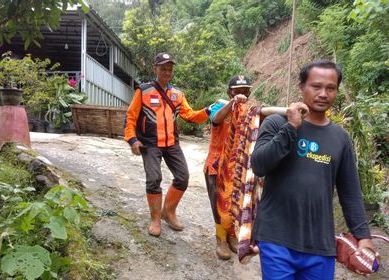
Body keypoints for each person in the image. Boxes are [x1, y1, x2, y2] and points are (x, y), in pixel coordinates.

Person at [250, 60, 375, 279]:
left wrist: (363, 237)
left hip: (320, 245)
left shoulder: (340, 138)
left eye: (330, 88)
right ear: (301, 87)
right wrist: (291, 127)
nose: (323, 94)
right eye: (316, 86)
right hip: (276, 238)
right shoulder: (276, 124)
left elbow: (350, 193)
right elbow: (260, 165)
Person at [124, 52, 210, 237]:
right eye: (163, 68)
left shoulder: (177, 95)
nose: (167, 72)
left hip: (171, 143)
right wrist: (132, 140)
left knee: (183, 177)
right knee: (154, 179)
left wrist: (209, 111)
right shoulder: (144, 91)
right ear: (155, 69)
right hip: (150, 143)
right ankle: (155, 219)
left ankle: (168, 212)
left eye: (170, 69)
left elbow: (191, 116)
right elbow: (130, 117)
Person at [203, 75, 251, 260]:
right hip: (216, 165)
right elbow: (215, 119)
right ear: (229, 92)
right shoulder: (219, 106)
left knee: (234, 202)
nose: (241, 94)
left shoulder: (248, 112)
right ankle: (220, 238)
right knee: (218, 202)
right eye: (237, 91)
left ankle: (231, 235)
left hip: (237, 166)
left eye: (245, 91)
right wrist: (231, 104)